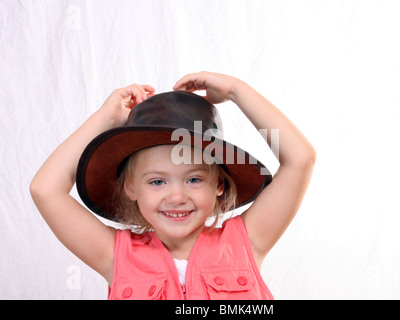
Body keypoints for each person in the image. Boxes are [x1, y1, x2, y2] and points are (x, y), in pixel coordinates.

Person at [30, 71, 316, 299]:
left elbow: (299, 159)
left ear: (218, 184)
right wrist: (105, 120)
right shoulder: (115, 256)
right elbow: (46, 190)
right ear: (131, 188)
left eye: (194, 179)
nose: (177, 196)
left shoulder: (246, 241)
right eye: (157, 181)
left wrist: (235, 91)